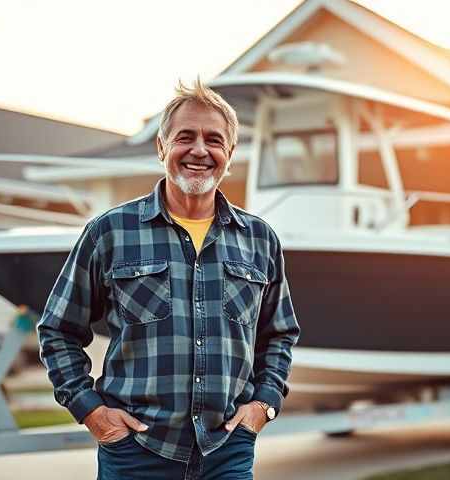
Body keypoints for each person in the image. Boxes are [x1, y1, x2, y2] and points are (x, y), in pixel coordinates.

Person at [37, 78, 300, 479]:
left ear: (229, 154)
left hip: (227, 452)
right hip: (136, 454)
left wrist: (262, 406)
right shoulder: (110, 232)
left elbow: (278, 334)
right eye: (185, 137)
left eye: (214, 140)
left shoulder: (260, 240)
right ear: (162, 148)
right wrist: (91, 411)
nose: (199, 150)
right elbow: (57, 330)